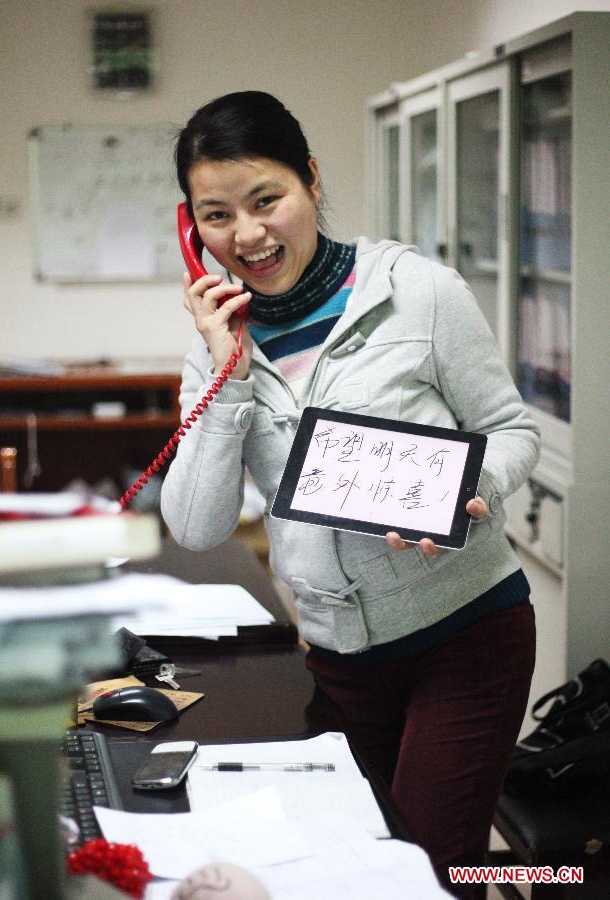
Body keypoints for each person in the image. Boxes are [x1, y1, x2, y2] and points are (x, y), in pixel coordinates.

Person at [161, 90, 539, 898]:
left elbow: (513, 430)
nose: (249, 235)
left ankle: (552, 876)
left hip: (462, 636)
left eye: (267, 200)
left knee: (430, 870)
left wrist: (470, 483)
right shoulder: (217, 340)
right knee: (344, 860)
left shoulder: (417, 293)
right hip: (336, 657)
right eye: (218, 215)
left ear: (311, 182)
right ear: (192, 231)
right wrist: (223, 369)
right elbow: (194, 527)